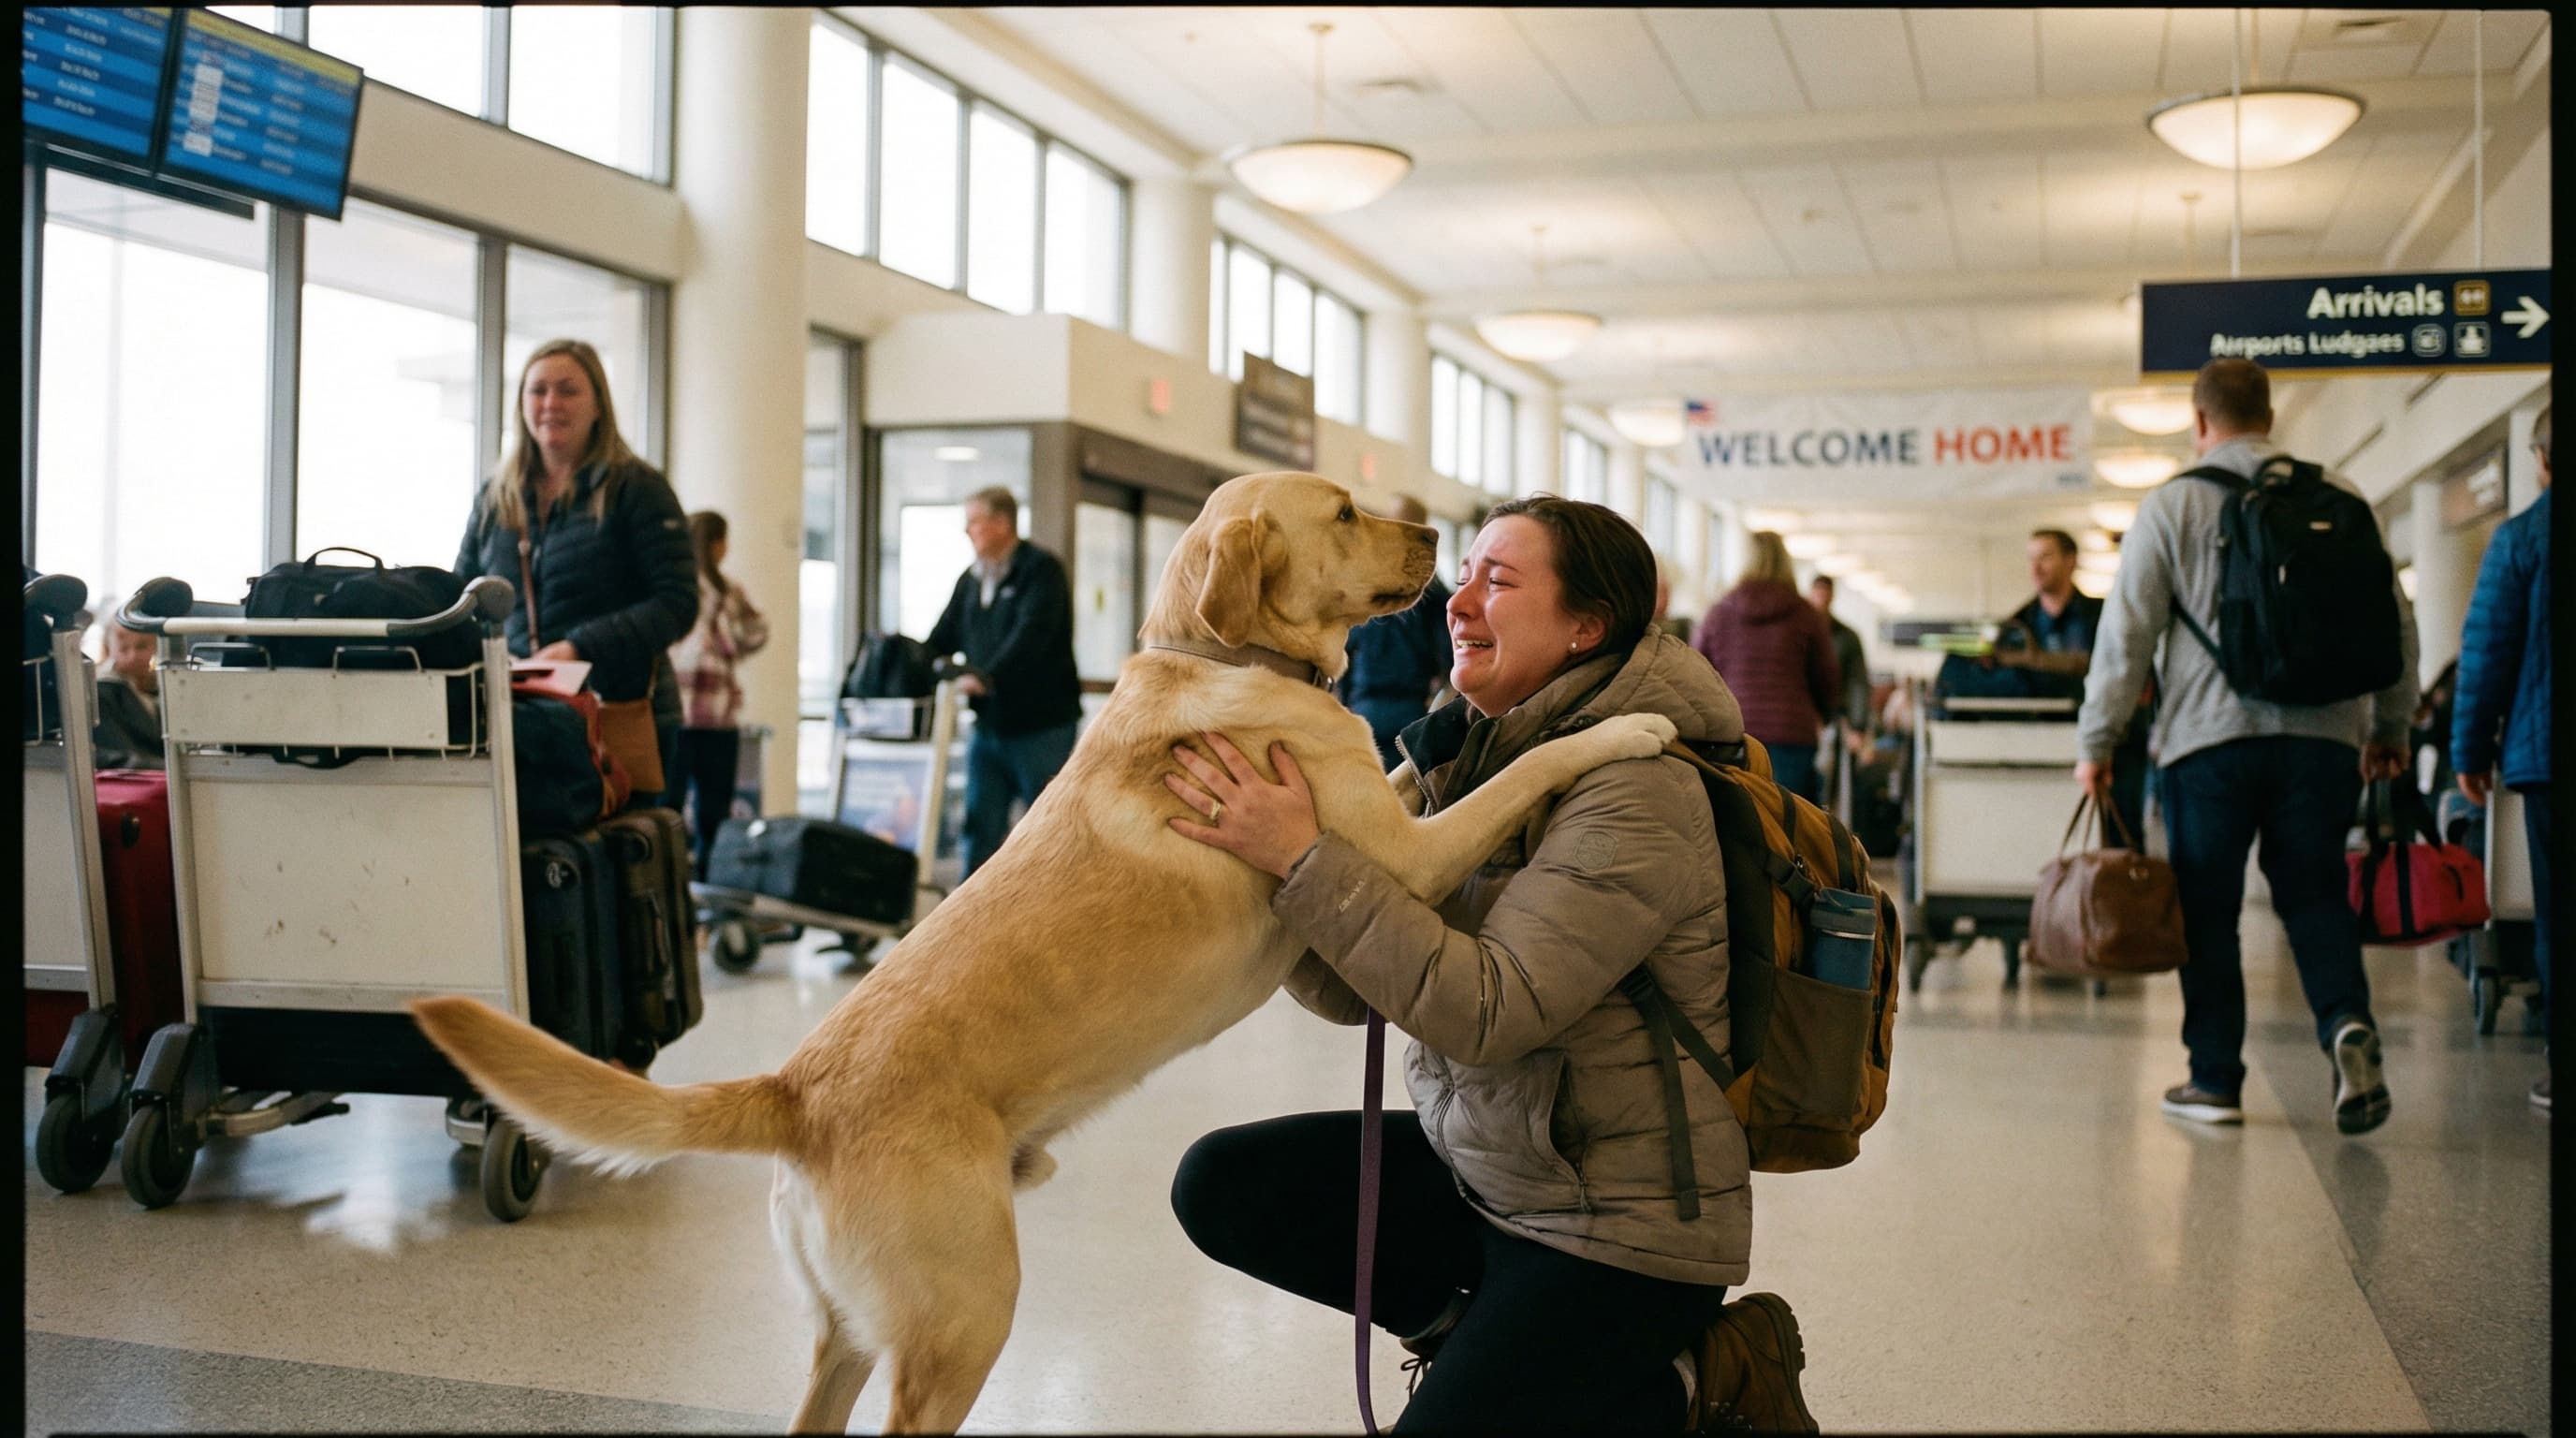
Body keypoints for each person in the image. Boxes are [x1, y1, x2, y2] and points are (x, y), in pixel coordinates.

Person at [1161, 495, 1814, 1434]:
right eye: (1462, 576)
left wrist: (1308, 862)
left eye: (1497, 583)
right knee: (1222, 1181)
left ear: (1586, 627)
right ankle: (1473, 1336)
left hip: (1614, 1230)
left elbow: (1489, 1011)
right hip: (1493, 1165)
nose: (1456, 602)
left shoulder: (1639, 794)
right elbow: (1352, 991)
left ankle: (1695, 1383)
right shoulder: (1464, 757)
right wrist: (1273, 868)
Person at [2075, 358, 2417, 1135]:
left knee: (2208, 909)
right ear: (2270, 414)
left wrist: (2099, 740)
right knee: (2316, 894)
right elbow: (2396, 624)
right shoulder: (2342, 496)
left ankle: (2215, 1080)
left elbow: (2125, 635)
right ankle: (2344, 1026)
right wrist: (2390, 727)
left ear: (2200, 422)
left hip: (2209, 743)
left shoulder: (2172, 506)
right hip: (2326, 739)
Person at [455, 338, 697, 810]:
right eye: (537, 390)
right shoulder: (495, 497)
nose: (550, 404)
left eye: (568, 390)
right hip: (527, 719)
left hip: (621, 716)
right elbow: (462, 596)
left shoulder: (637, 488)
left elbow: (677, 602)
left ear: (598, 406)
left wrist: (579, 648)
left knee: (625, 867)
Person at [2452, 403, 2552, 1111]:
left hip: (2547, 757)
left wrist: (2470, 752)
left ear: (2542, 461)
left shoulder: (2523, 539)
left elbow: (2486, 658)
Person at [925, 485, 1081, 878]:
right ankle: (966, 925)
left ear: (1002, 523)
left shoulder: (1040, 571)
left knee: (1048, 829)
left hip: (1041, 728)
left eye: (975, 522)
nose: (968, 531)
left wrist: (988, 677)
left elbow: (1032, 637)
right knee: (980, 828)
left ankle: (1053, 915)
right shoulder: (972, 580)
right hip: (989, 729)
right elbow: (943, 635)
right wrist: (911, 662)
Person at [1993, 529, 2151, 844]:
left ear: (2071, 561)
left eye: (2046, 557)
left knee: (2121, 837)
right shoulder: (2016, 625)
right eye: (2031, 559)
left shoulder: (2103, 617)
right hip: (2042, 749)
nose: (2036, 568)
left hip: (2115, 748)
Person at [1692, 531, 1837, 804]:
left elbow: (1696, 672)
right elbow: (1826, 675)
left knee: (1736, 826)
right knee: (1793, 825)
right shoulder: (1806, 615)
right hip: (1792, 733)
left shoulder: (1718, 613)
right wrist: (1825, 714)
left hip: (1733, 733)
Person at [671, 510, 771, 874]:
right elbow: (756, 633)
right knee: (709, 813)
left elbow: (756, 631)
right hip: (705, 716)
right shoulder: (700, 589)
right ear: (716, 542)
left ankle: (688, 890)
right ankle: (702, 886)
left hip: (691, 715)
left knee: (679, 811)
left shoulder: (714, 590)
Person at [1340, 494, 1454, 768]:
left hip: (1363, 709)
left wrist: (1344, 704)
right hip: (1410, 712)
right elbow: (1450, 661)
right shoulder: (1436, 594)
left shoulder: (1366, 586)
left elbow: (1344, 650)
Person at [92, 612, 166, 770]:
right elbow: (125, 756)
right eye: (123, 649)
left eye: (142, 647)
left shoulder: (164, 687)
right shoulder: (101, 693)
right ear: (108, 648)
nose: (132, 656)